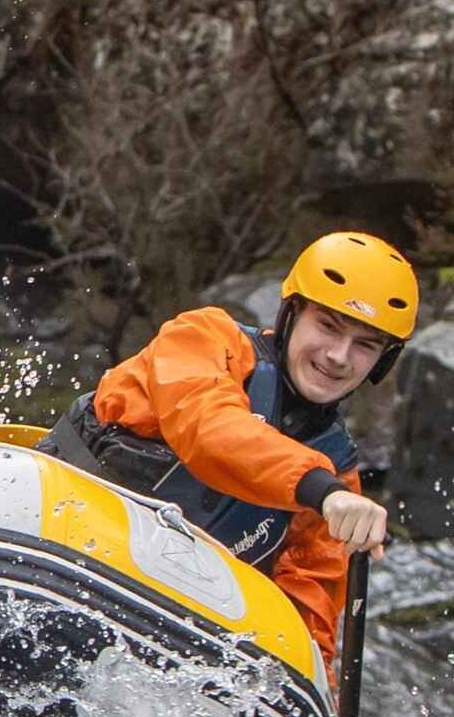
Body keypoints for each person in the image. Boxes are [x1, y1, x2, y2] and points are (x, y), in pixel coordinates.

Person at [32, 231, 414, 683]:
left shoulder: (339, 473)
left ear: (383, 361)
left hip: (140, 629)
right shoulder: (203, 338)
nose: (338, 356)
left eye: (365, 345)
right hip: (59, 545)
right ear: (291, 313)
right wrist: (319, 490)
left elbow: (307, 621)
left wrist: (310, 698)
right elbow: (210, 428)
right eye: (327, 326)